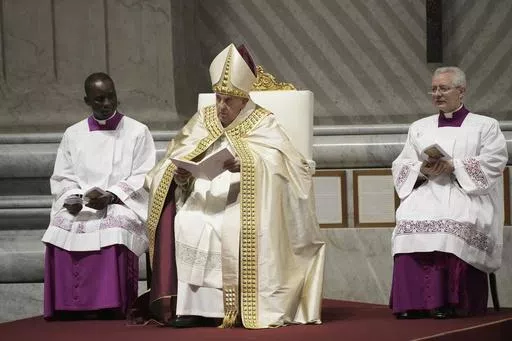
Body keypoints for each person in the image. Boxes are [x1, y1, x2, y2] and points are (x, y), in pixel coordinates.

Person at [141, 43, 325, 329]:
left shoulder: (263, 122)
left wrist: (251, 165)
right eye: (218, 99)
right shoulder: (205, 118)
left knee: (224, 226)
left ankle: (230, 307)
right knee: (189, 221)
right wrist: (181, 175)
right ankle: (190, 307)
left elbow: (291, 167)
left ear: (243, 100)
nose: (221, 107)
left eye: (228, 101)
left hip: (245, 196)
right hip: (202, 193)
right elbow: (173, 156)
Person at [390, 66, 508, 319]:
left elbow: (495, 161)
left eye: (443, 88)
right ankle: (412, 303)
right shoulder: (419, 127)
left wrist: (454, 164)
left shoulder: (485, 125)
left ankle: (450, 302)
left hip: (467, 193)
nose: (437, 94)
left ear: (461, 91)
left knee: (451, 223)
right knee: (407, 220)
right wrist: (422, 168)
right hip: (430, 189)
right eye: (433, 89)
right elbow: (402, 164)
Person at [42, 72, 156, 320]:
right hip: (83, 203)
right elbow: (64, 175)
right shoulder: (73, 134)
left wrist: (113, 196)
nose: (107, 104)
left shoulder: (137, 131)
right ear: (87, 101)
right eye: (99, 99)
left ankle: (112, 305)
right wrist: (71, 197)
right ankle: (69, 307)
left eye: (111, 97)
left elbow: (144, 174)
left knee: (114, 228)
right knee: (59, 227)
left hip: (121, 203)